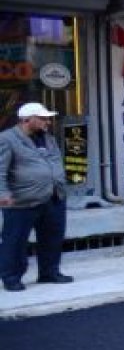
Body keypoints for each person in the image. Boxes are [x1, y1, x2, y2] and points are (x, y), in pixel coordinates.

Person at [0, 103, 73, 292]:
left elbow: (54, 162)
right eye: (42, 118)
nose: (47, 122)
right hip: (22, 199)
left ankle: (49, 272)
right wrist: (2, 193)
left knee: (52, 237)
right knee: (15, 241)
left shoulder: (48, 138)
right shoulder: (7, 139)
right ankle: (11, 277)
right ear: (26, 120)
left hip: (54, 195)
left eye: (48, 118)